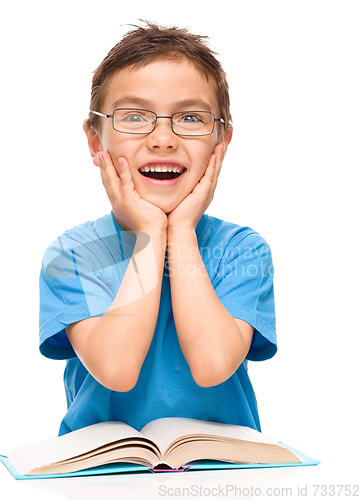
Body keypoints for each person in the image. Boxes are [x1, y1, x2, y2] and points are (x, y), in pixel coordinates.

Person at [39, 22, 277, 436]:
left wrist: (181, 230)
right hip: (102, 476)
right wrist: (151, 232)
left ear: (221, 141)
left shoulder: (243, 250)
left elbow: (212, 365)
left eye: (189, 117)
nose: (162, 139)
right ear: (96, 142)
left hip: (219, 469)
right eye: (134, 117)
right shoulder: (73, 255)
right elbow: (115, 369)